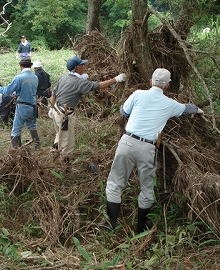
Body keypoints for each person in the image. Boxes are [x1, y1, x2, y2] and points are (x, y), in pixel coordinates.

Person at [101, 68, 204, 233]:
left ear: (150, 81)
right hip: (148, 148)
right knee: (147, 188)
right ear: (167, 87)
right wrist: (198, 109)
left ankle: (110, 224)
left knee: (115, 183)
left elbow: (123, 112)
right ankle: (141, 229)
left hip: (127, 142)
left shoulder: (138, 94)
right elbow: (187, 109)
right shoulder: (170, 104)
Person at [48, 56, 126, 165]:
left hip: (56, 110)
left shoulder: (63, 78)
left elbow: (54, 94)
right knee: (67, 145)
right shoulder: (79, 82)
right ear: (77, 68)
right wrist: (116, 79)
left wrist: (51, 108)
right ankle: (64, 169)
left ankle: (54, 154)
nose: (84, 66)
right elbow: (98, 86)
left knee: (59, 135)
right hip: (64, 115)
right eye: (82, 65)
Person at [0, 58, 40, 149]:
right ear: (31, 66)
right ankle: (37, 146)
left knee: (16, 130)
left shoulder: (19, 78)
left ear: (20, 66)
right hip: (32, 107)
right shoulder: (35, 78)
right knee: (32, 126)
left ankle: (17, 151)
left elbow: (8, 90)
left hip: (22, 107)